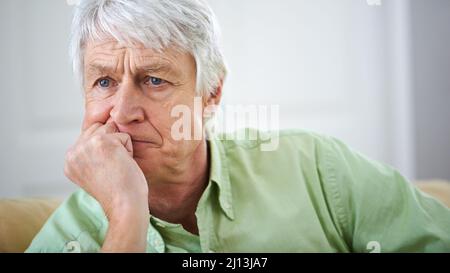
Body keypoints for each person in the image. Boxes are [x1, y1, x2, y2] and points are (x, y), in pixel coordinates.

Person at [27, 0, 450, 253]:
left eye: (153, 79)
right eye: (104, 82)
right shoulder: (66, 238)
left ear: (211, 92)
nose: (121, 113)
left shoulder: (318, 169)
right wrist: (124, 214)